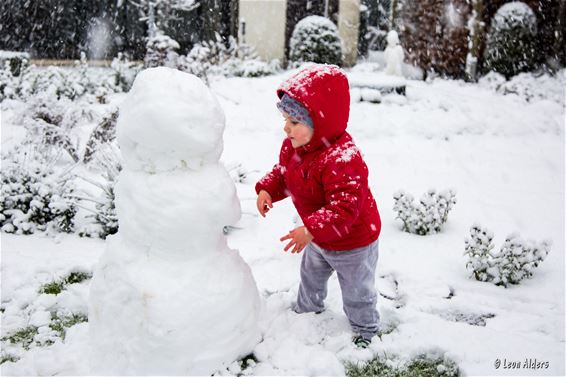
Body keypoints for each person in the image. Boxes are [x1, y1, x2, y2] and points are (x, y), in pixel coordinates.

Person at [255, 64, 382, 348]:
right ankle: (307, 310)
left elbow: (344, 209)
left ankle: (366, 331)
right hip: (319, 237)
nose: (286, 128)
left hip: (354, 243)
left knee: (356, 290)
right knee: (310, 275)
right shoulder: (295, 147)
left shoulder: (343, 159)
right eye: (285, 119)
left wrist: (310, 229)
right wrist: (267, 190)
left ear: (320, 122)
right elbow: (285, 173)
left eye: (294, 122)